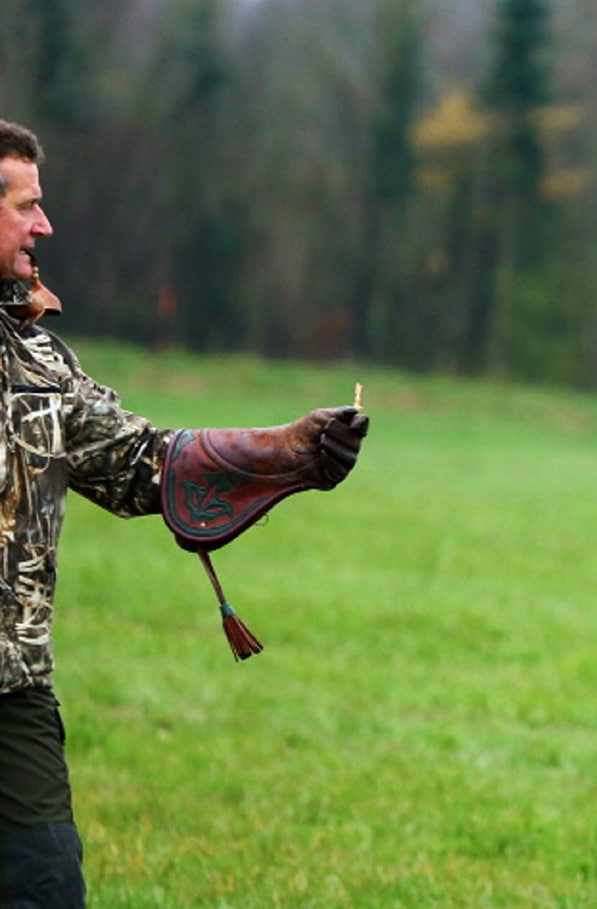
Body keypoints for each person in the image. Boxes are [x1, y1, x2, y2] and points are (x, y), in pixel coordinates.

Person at [0, 119, 369, 907]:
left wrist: (288, 452)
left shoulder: (34, 356)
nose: (45, 225)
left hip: (12, 689)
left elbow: (138, 462)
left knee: (45, 886)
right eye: (27, 205)